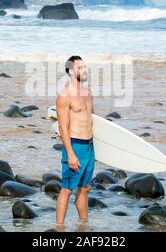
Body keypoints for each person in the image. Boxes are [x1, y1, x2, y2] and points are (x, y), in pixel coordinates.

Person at [55, 56, 95, 229]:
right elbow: (63, 128)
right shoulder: (65, 97)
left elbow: (92, 120)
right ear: (71, 71)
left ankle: (83, 225)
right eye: (81, 67)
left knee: (85, 187)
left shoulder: (88, 93)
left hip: (89, 146)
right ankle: (59, 228)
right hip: (75, 145)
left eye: (85, 66)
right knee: (67, 189)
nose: (85, 70)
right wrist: (70, 153)